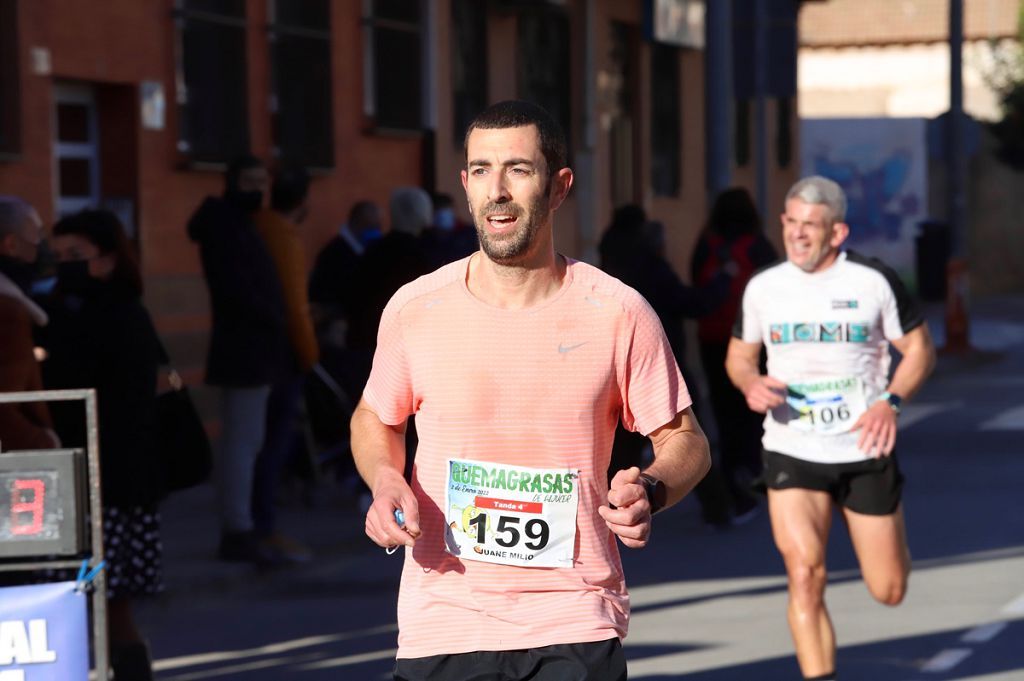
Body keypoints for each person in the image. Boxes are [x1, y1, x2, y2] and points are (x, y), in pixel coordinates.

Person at [352, 100, 711, 680]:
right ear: (465, 185)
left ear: (559, 186)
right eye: (480, 170)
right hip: (444, 616)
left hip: (573, 618)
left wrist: (652, 485)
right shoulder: (416, 309)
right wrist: (384, 476)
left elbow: (687, 441)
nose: (497, 190)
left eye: (518, 169)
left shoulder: (616, 313)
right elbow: (374, 417)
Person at [725, 176, 936, 680]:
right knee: (804, 574)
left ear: (837, 232)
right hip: (792, 447)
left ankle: (884, 530)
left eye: (811, 226)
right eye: (791, 223)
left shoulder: (872, 281)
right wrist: (750, 382)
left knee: (889, 589)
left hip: (864, 445)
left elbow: (920, 350)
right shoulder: (764, 287)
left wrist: (891, 402)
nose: (798, 235)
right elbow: (739, 356)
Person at [40, 209, 165, 681]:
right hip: (77, 480)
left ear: (109, 260)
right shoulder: (65, 307)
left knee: (111, 608)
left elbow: (98, 391)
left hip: (114, 485)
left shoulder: (120, 313)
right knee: (81, 607)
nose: (65, 265)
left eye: (77, 255)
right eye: (58, 255)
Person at [187, 154, 291, 565]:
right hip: (245, 350)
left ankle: (241, 525)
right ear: (231, 180)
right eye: (248, 179)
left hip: (252, 349)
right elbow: (238, 290)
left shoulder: (239, 222)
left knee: (247, 442)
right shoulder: (227, 226)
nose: (256, 188)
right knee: (243, 444)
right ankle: (238, 529)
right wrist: (273, 317)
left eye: (261, 180)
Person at [691, 187, 778, 514]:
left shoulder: (707, 244)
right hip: (752, 341)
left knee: (724, 410)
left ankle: (731, 469)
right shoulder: (757, 246)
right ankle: (752, 470)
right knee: (753, 408)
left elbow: (696, 283)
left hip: (712, 338)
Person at [252, 164, 318, 562]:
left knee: (256, 443)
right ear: (304, 202)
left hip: (260, 352)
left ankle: (260, 519)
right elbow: (297, 304)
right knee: (272, 443)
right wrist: (309, 354)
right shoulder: (285, 236)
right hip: (281, 355)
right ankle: (265, 524)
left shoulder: (257, 224)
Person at [0, 196, 58, 451]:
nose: (43, 248)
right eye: (37, 237)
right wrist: (45, 444)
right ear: (12, 244)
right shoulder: (8, 311)